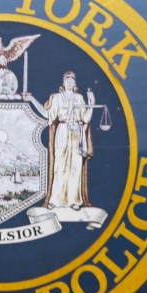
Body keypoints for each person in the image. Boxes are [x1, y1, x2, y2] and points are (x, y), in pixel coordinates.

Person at [41, 71, 94, 209]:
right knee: (60, 166)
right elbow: (48, 115)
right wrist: (32, 100)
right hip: (63, 131)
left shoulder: (79, 98)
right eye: (67, 79)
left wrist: (91, 103)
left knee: (75, 166)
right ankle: (55, 200)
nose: (69, 82)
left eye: (72, 79)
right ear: (63, 83)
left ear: (75, 83)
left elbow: (86, 118)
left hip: (76, 132)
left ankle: (74, 201)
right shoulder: (57, 98)